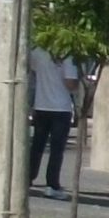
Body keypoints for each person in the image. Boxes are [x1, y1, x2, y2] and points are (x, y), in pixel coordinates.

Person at [27, 42, 78, 199]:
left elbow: (31, 68)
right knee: (57, 149)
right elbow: (71, 84)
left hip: (41, 105)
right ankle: (52, 184)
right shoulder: (67, 55)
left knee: (37, 145)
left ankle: (28, 177)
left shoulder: (38, 52)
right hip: (61, 107)